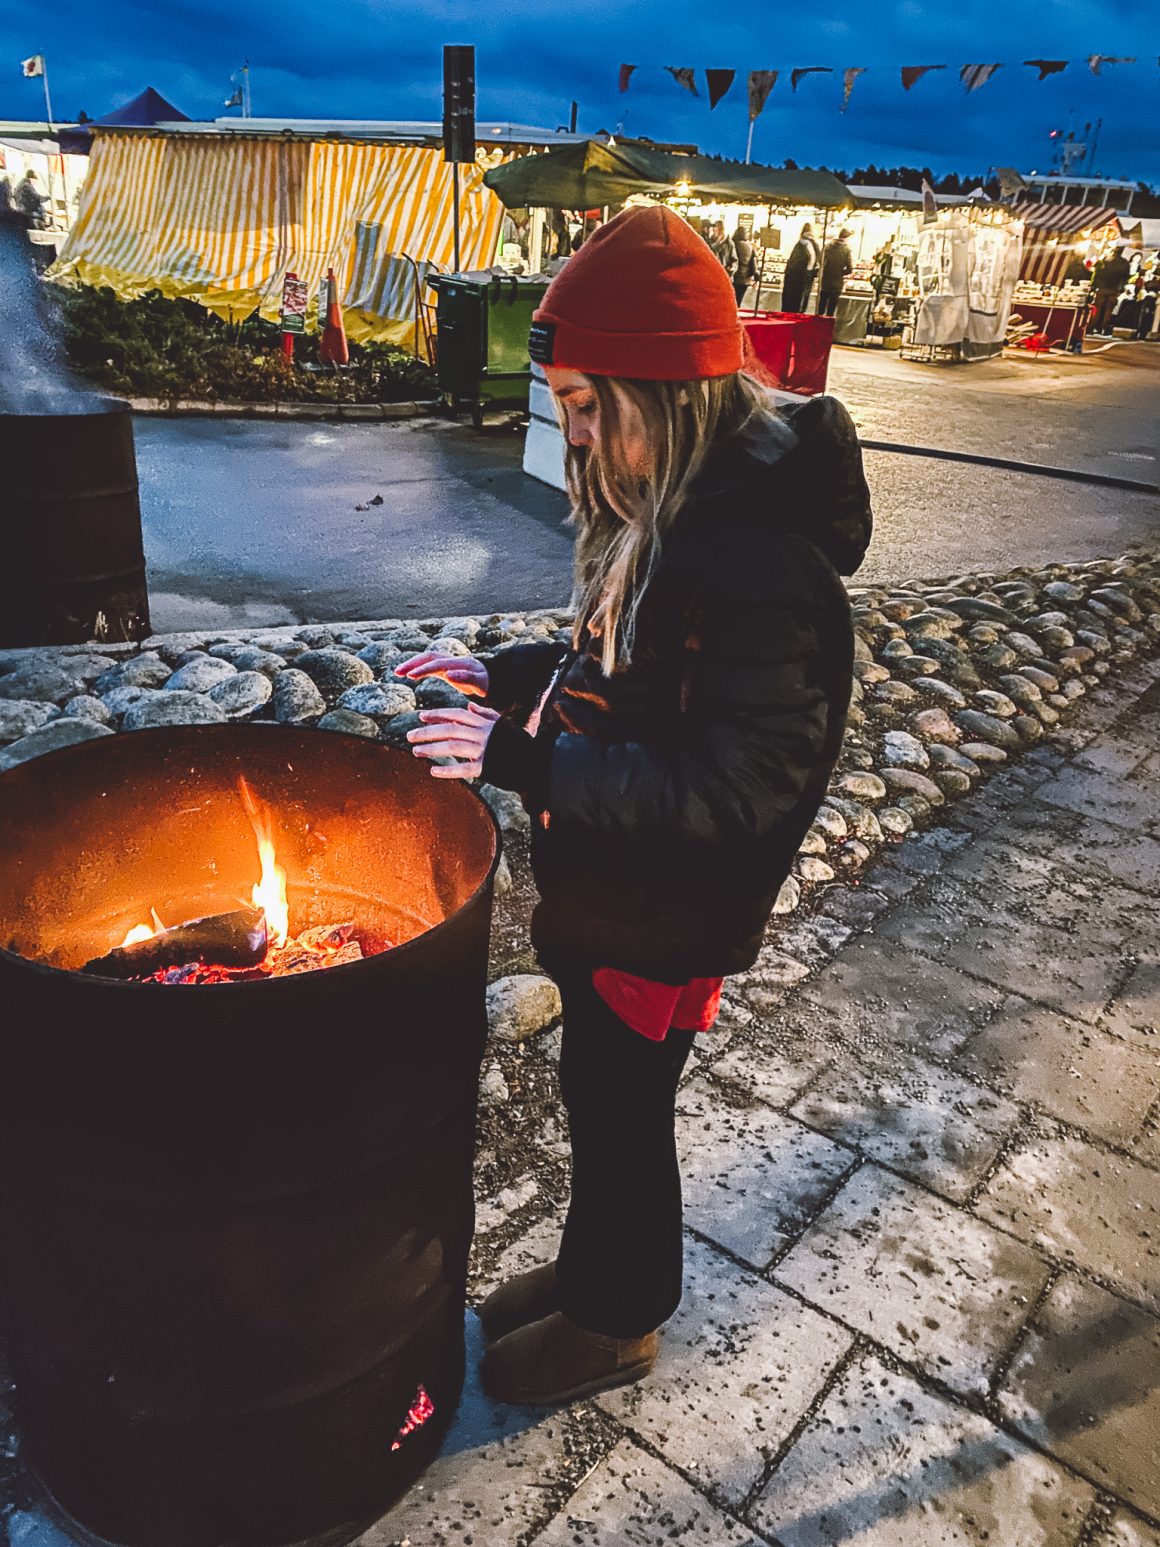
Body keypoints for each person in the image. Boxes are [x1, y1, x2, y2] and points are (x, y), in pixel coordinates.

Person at [395, 206, 872, 1407]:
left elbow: (738, 783)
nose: (576, 439)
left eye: (586, 408)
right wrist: (493, 678)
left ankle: (616, 1320)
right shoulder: (675, 513)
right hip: (619, 892)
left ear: (666, 395)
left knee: (622, 1115)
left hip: (669, 907)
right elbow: (611, 674)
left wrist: (527, 760)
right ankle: (591, 1271)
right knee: (599, 1103)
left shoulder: (758, 561)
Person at [1090, 246, 1131, 335]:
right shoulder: (1124, 263)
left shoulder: (1106, 260)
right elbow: (1126, 277)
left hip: (1102, 287)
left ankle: (1092, 327)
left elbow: (1098, 273)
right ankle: (1104, 329)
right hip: (1114, 288)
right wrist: (1121, 288)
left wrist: (1094, 285)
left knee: (1097, 309)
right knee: (1108, 310)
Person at [781, 222, 819, 314]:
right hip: (804, 279)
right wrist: (809, 273)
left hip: (793, 278)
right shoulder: (813, 244)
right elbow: (814, 260)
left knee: (790, 303)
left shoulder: (800, 243)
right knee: (800, 303)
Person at [818, 228, 854, 317]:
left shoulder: (828, 246)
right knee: (831, 311)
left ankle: (817, 326)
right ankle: (827, 328)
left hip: (825, 281)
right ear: (846, 238)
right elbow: (850, 269)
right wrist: (840, 273)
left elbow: (820, 261)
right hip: (836, 284)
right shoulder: (846, 250)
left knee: (821, 308)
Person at [732, 222, 757, 307]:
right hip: (744, 279)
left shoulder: (732, 244)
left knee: (731, 299)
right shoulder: (750, 247)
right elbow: (753, 265)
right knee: (738, 300)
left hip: (733, 276)